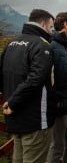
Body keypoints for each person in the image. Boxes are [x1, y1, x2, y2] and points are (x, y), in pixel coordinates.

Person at [0, 9, 57, 163]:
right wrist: (14, 102)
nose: (52, 32)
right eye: (51, 27)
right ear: (43, 24)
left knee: (18, 159)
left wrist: (10, 102)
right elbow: (36, 79)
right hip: (36, 119)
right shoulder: (42, 45)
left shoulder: (12, 44)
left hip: (15, 118)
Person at [47, 12, 67, 163]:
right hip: (60, 104)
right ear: (66, 25)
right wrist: (56, 100)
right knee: (57, 145)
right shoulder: (52, 46)